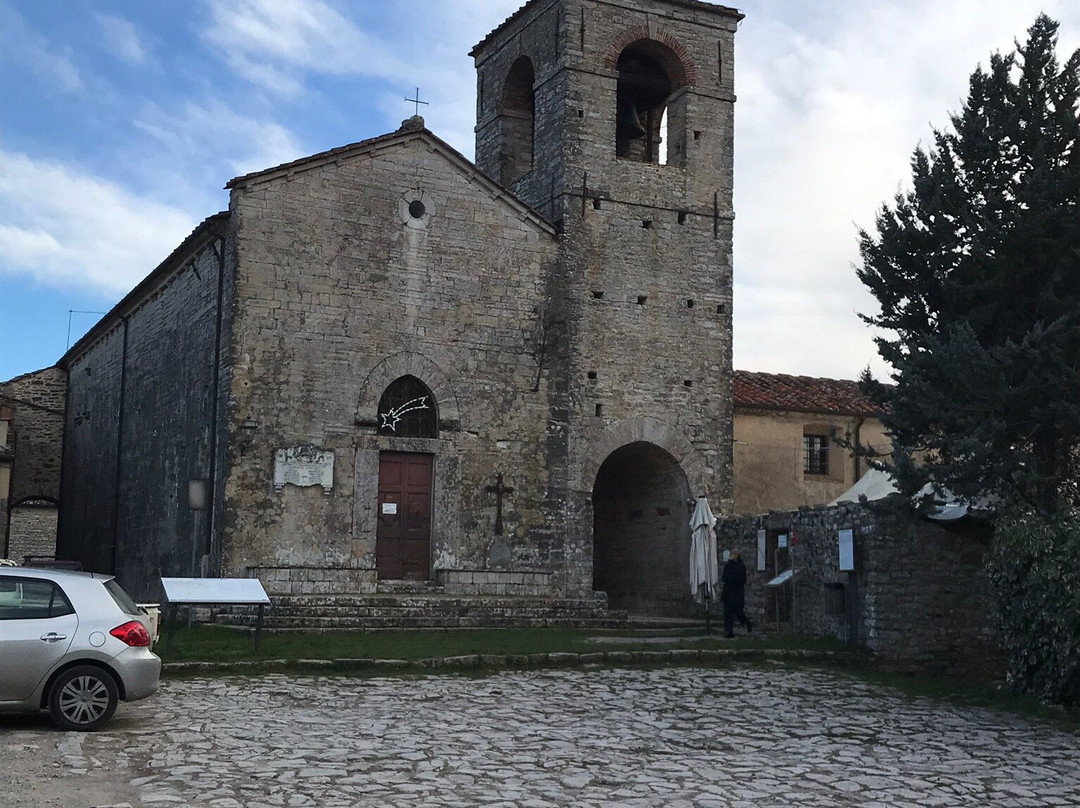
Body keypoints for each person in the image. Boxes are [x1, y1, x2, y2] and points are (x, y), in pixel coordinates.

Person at [720, 549, 753, 638]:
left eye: (733, 554)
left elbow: (741, 580)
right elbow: (724, 577)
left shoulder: (741, 566)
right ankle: (728, 631)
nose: (731, 556)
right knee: (727, 612)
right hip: (728, 592)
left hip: (736, 592)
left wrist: (731, 579)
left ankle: (746, 622)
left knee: (738, 612)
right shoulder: (728, 565)